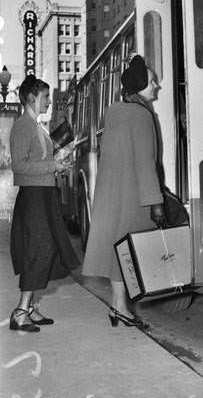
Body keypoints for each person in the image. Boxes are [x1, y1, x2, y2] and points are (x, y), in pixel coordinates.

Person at [81, 54, 166, 328]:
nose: (157, 87)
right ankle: (120, 307)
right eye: (153, 82)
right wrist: (156, 202)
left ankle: (119, 306)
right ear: (141, 85)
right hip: (135, 197)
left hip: (112, 193)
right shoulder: (142, 115)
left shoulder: (114, 110)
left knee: (119, 250)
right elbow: (145, 162)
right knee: (131, 250)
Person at [9, 75, 80, 332]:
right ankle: (21, 310)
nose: (49, 102)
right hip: (34, 197)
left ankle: (30, 307)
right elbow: (18, 165)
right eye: (46, 97)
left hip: (45, 194)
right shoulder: (23, 126)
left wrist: (59, 164)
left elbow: (38, 162)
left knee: (47, 249)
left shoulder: (36, 126)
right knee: (40, 248)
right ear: (32, 97)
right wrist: (53, 165)